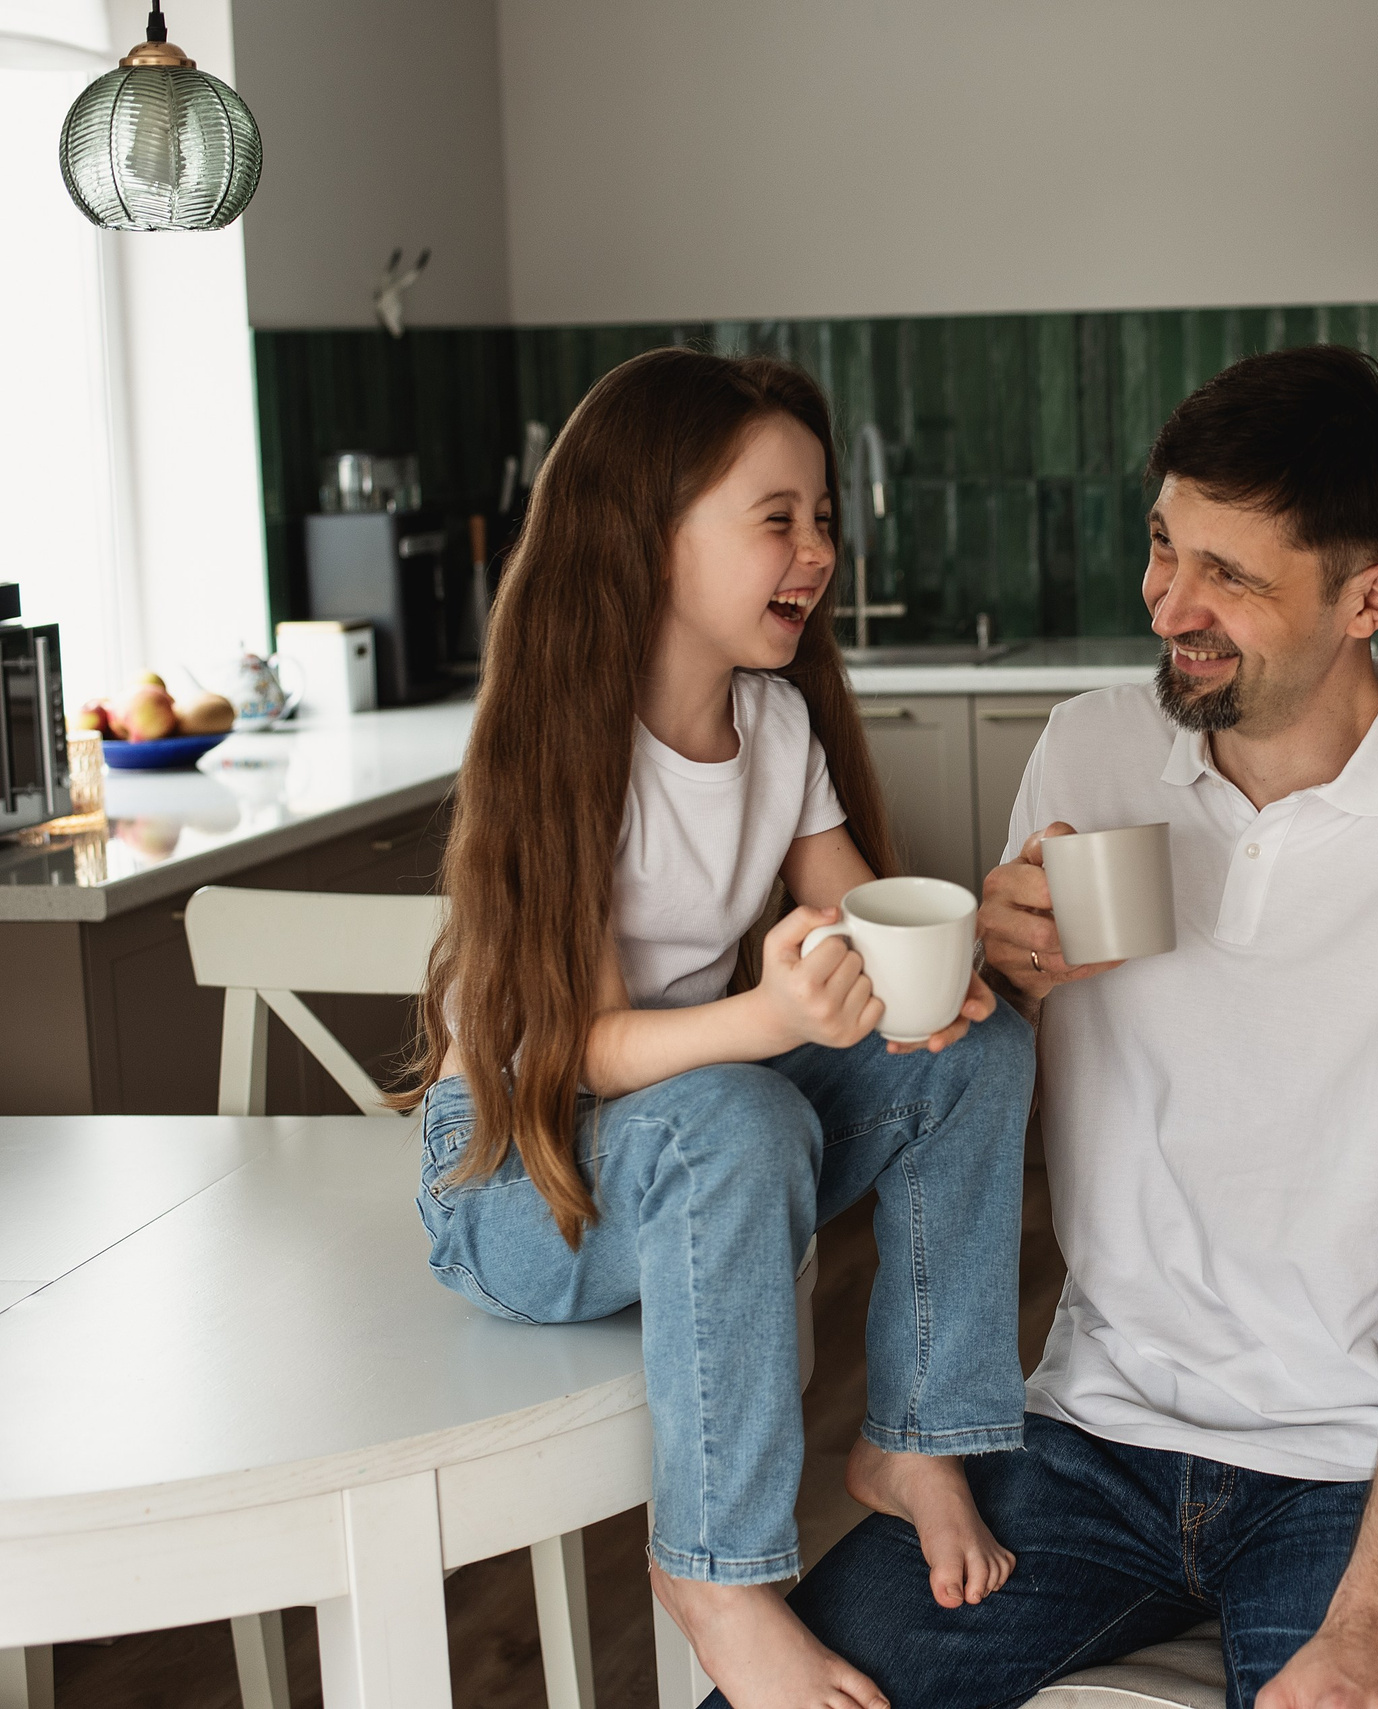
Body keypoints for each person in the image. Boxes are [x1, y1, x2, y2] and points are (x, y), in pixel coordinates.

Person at [778, 345, 1378, 1709]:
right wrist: (996, 981)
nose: (1172, 601)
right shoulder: (1092, 751)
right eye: (1165, 545)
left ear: (1370, 598)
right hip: (1086, 1433)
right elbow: (982, 1103)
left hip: (1363, 1461)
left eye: (1233, 573)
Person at [394, 349, 1036, 1709]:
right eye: (778, 518)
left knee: (976, 1048)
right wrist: (760, 1014)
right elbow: (566, 1055)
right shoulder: (559, 751)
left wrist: (949, 963)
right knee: (739, 1111)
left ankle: (914, 1438)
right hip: (520, 1173)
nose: (818, 551)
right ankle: (717, 1573)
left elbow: (850, 901)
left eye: (822, 518)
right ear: (650, 530)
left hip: (687, 1136)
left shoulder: (776, 720)